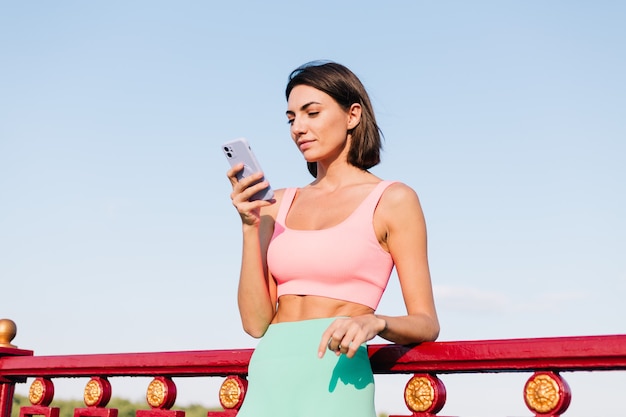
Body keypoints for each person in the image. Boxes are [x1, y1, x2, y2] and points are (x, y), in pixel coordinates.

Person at [226, 61, 439, 417]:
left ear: (352, 115)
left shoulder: (394, 200)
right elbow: (255, 324)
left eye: (312, 113)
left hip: (337, 377)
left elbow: (427, 322)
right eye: (292, 118)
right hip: (268, 375)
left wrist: (376, 322)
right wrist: (249, 225)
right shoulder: (275, 204)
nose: (299, 128)